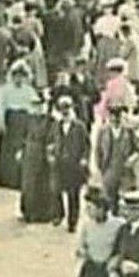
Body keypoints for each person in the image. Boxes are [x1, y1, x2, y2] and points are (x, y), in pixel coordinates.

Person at [18, 93, 62, 225]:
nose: (37, 108)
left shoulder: (50, 121)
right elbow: (23, 136)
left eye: (40, 105)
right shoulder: (29, 120)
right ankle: (28, 213)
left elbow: (54, 138)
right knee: (28, 184)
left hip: (43, 154)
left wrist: (51, 152)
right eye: (35, 105)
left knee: (43, 184)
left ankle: (44, 214)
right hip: (29, 155)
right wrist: (21, 149)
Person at [49, 94, 89, 233]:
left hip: (74, 165)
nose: (65, 112)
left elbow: (86, 145)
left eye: (67, 108)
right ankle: (59, 214)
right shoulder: (56, 126)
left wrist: (84, 159)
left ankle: (73, 221)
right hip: (59, 164)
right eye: (62, 109)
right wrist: (51, 155)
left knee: (73, 195)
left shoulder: (79, 126)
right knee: (56, 191)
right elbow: (50, 142)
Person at [0, 60, 35, 190]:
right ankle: (7, 178)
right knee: (8, 153)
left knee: (23, 149)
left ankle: (21, 177)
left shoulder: (29, 90)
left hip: (24, 123)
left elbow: (34, 105)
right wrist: (1, 123)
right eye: (16, 76)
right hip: (11, 122)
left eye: (21, 76)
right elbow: (1, 107)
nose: (19, 79)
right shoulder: (5, 90)